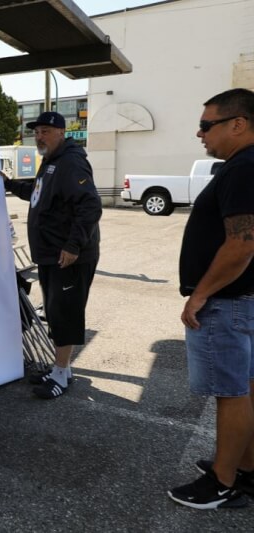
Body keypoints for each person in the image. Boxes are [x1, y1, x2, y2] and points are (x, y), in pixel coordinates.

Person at [168, 88, 254, 510]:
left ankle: (221, 483)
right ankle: (245, 469)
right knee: (246, 388)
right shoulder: (241, 167)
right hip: (243, 299)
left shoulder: (242, 169)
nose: (199, 133)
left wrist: (199, 296)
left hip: (228, 300)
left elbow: (241, 245)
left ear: (237, 124)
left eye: (207, 124)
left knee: (231, 392)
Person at [1, 111, 102, 399]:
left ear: (61, 132)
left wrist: (72, 247)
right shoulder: (51, 162)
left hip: (68, 256)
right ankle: (63, 369)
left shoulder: (70, 162)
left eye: (46, 130)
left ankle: (60, 375)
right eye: (37, 131)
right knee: (55, 311)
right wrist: (9, 184)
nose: (40, 136)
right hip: (50, 255)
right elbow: (37, 193)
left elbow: (91, 206)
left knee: (65, 312)